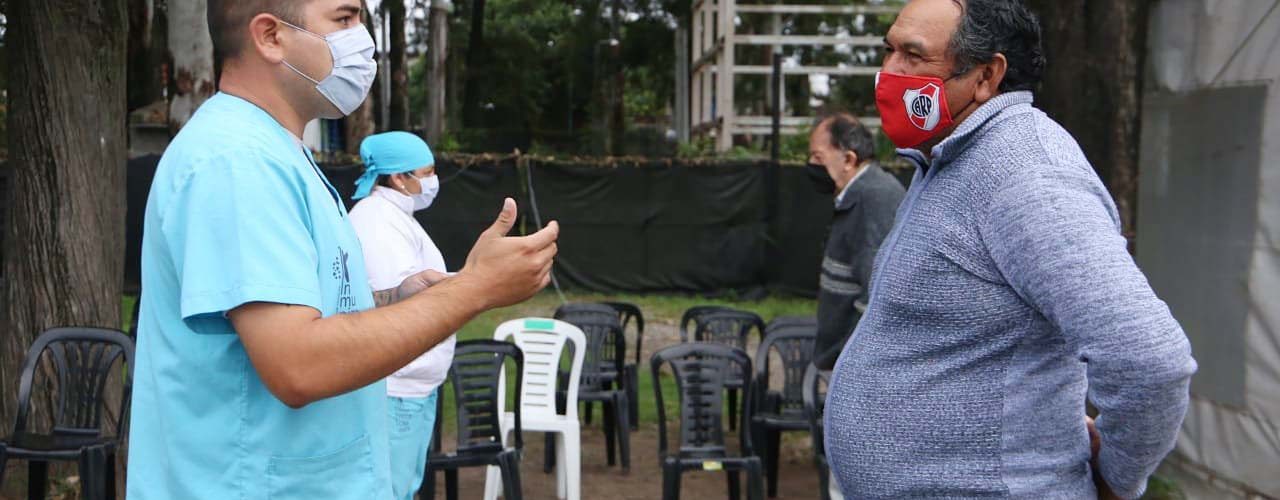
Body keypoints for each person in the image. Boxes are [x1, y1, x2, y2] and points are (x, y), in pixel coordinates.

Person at [126, 1, 558, 498]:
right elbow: (298, 364)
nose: (364, 42)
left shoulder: (278, 153)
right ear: (270, 37)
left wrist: (399, 297)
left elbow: (309, 313)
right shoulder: (236, 162)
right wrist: (475, 290)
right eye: (345, 19)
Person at [823, 1, 1196, 499]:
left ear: (986, 76)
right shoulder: (948, 158)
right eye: (888, 50)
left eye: (913, 55)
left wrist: (1117, 479)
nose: (889, 72)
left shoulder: (1026, 174)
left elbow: (1150, 360)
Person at [347, 131, 454, 500]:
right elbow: (396, 301)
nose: (432, 181)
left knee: (401, 488)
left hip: (412, 386)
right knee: (388, 490)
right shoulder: (377, 220)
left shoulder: (397, 217)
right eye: (427, 172)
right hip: (394, 388)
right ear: (398, 177)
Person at [806, 112, 905, 372]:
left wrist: (850, 362)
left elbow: (877, 293)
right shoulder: (857, 195)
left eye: (817, 157)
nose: (811, 164)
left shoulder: (874, 198)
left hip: (854, 367)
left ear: (849, 160)